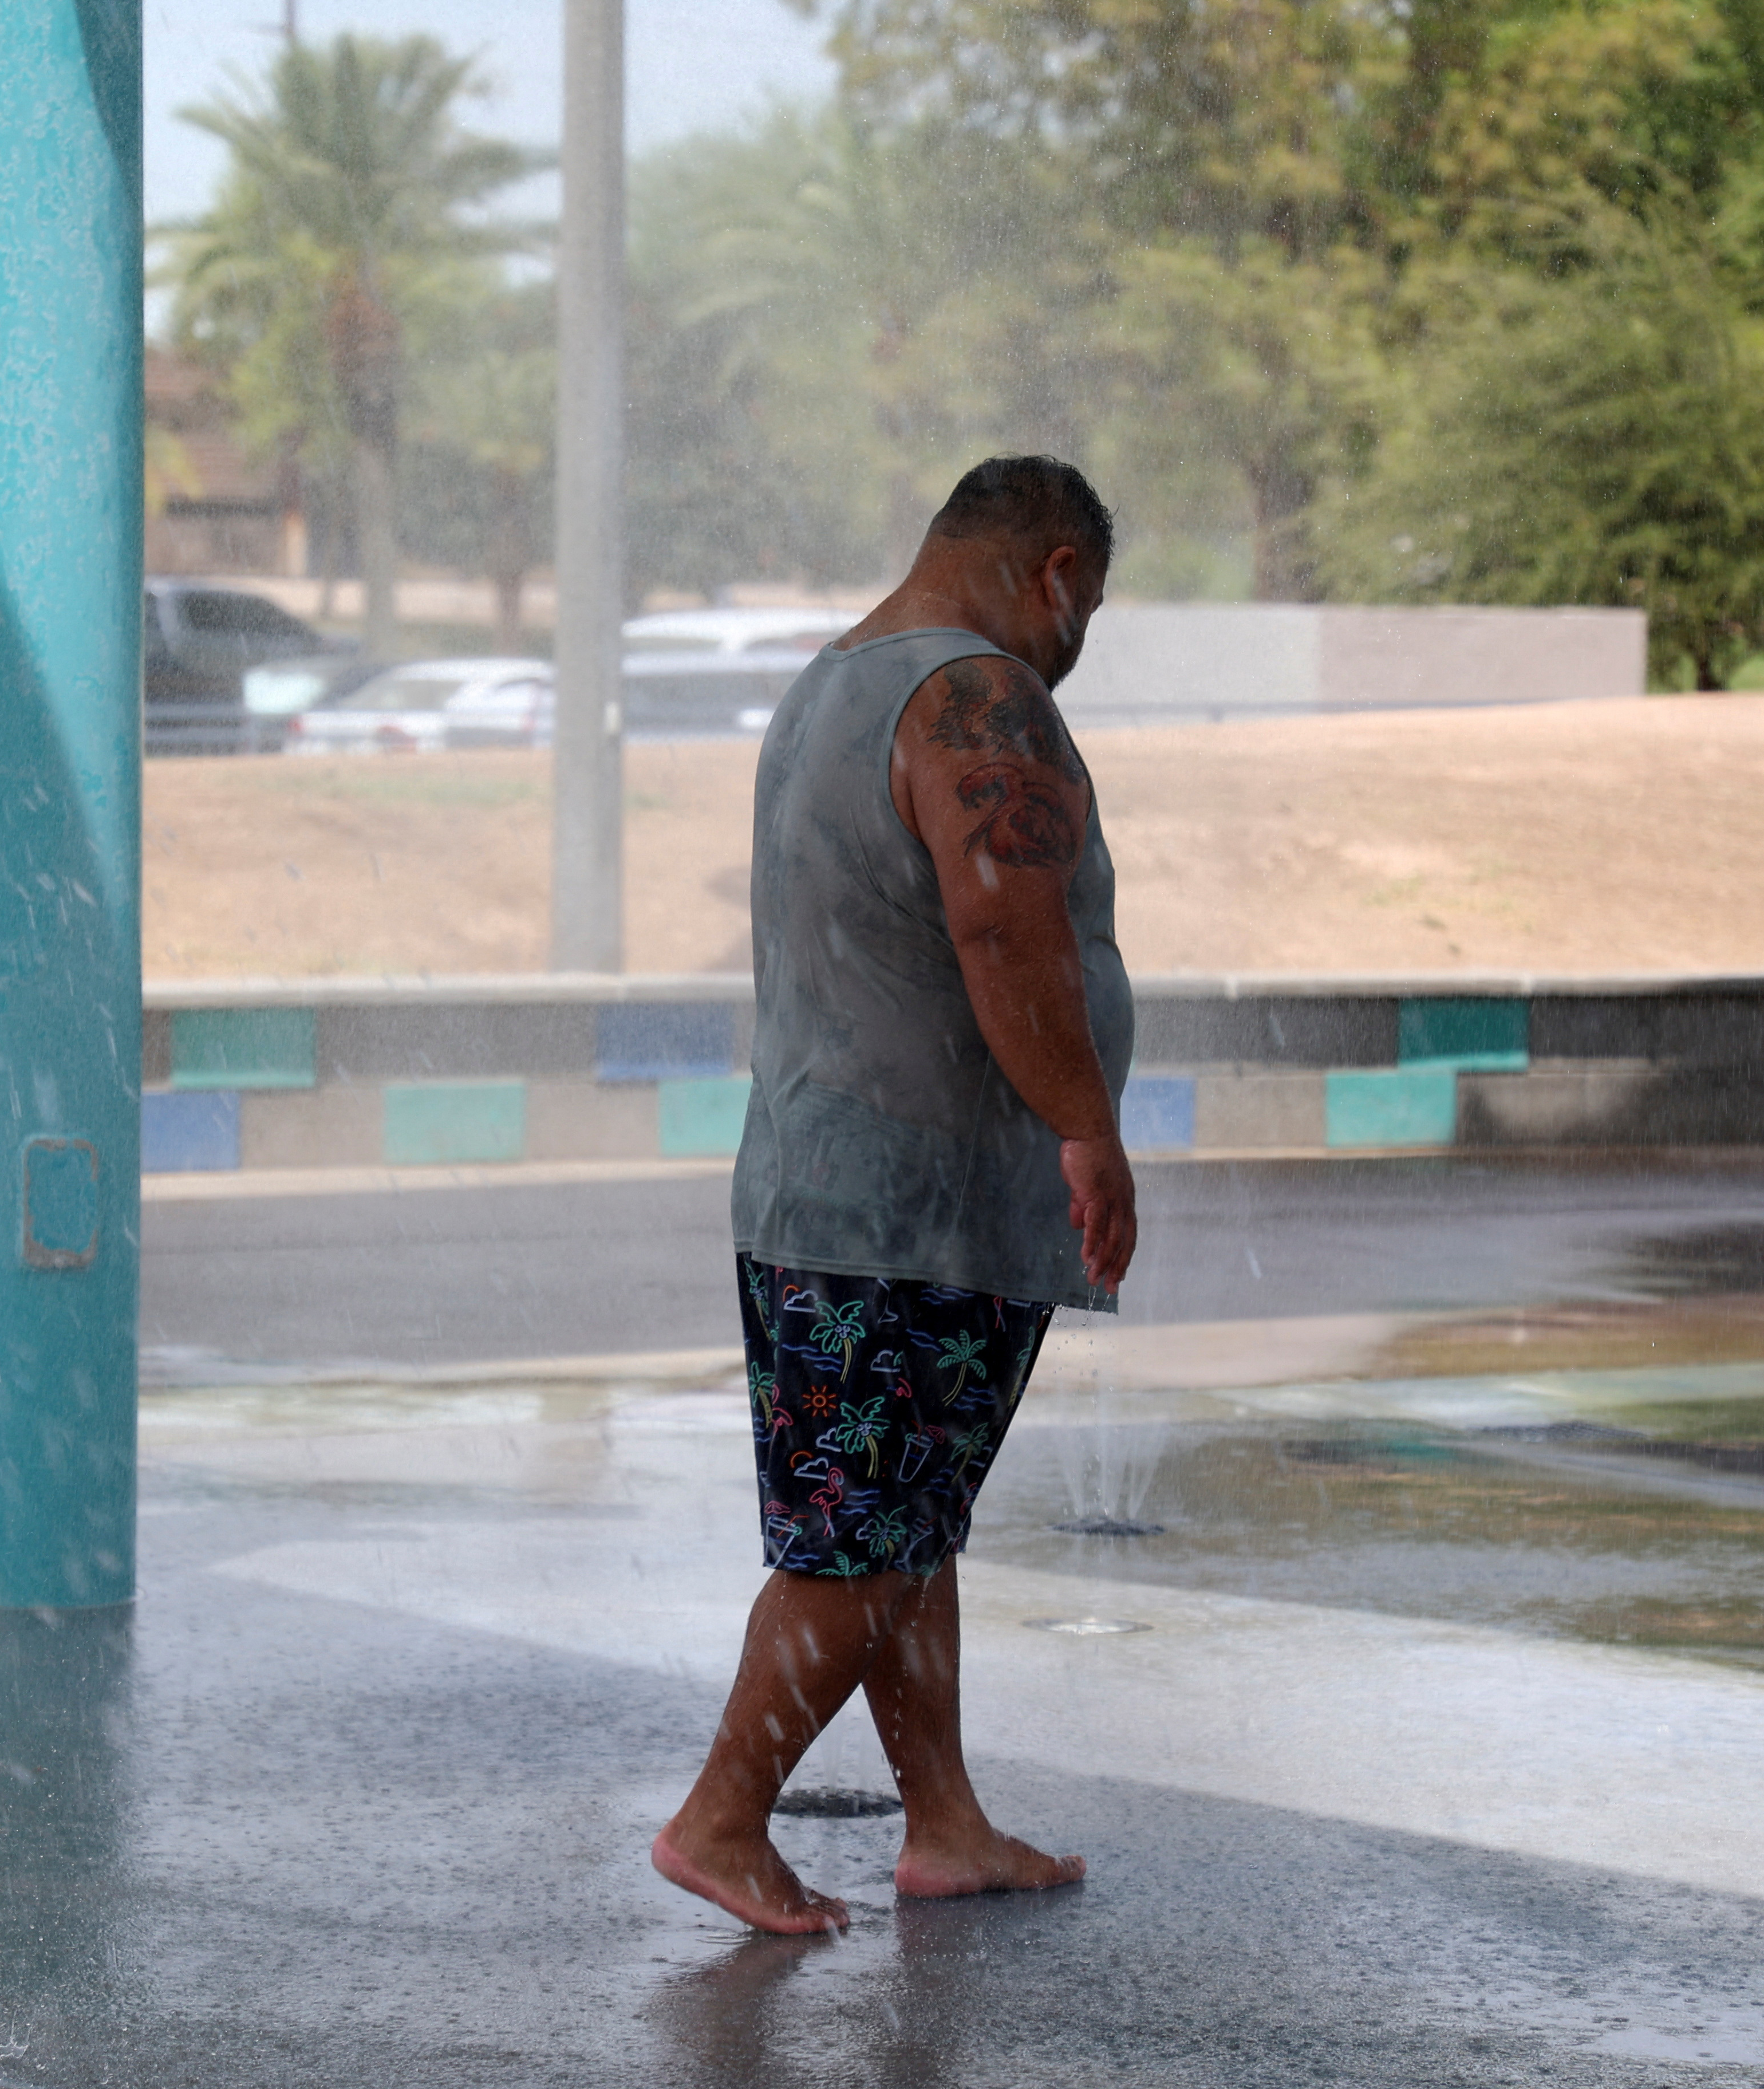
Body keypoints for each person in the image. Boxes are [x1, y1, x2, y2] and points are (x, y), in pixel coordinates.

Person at [650, 456, 1136, 1936]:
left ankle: (945, 1823)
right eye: (1089, 607)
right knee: (856, 1547)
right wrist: (1087, 1126)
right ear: (1053, 568)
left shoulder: (831, 684)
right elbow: (1004, 921)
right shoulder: (977, 695)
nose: (1077, 641)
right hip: (913, 1209)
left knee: (902, 1529)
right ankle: (724, 1820)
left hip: (828, 1185)